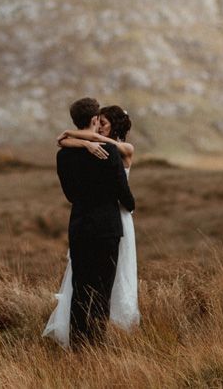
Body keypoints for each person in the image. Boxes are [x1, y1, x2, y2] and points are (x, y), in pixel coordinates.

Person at [43, 97, 135, 349]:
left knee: (80, 287)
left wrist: (79, 141)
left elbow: (71, 195)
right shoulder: (111, 153)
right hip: (107, 227)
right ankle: (96, 345)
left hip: (80, 225)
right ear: (94, 120)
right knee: (102, 288)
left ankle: (78, 344)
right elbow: (123, 194)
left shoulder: (63, 156)